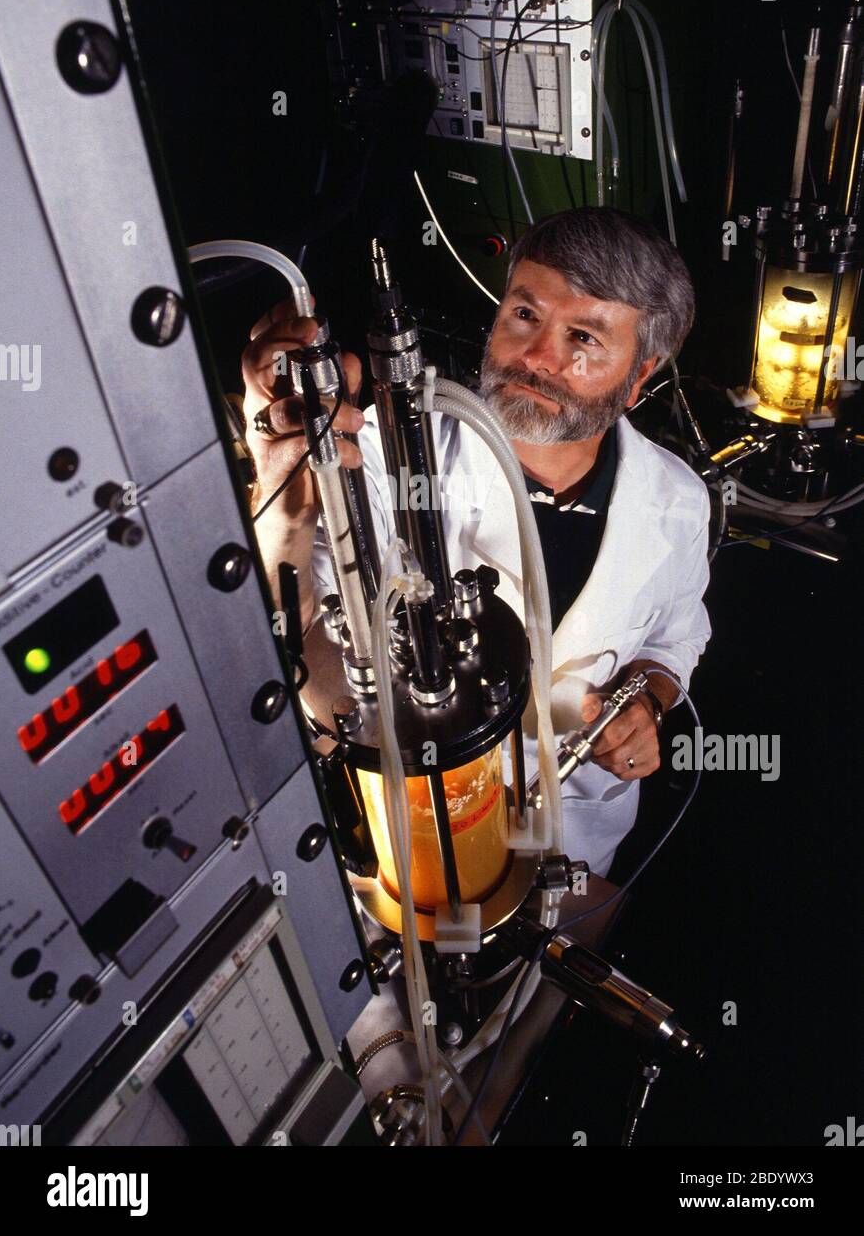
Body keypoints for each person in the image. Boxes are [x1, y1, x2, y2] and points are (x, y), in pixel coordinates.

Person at [242, 207, 711, 876]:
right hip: (416, 844)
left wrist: (646, 700)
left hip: (574, 837)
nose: (538, 359)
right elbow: (296, 635)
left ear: (639, 375)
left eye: (582, 337)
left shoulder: (677, 500)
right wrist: (278, 496)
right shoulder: (380, 451)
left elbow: (675, 636)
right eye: (524, 315)